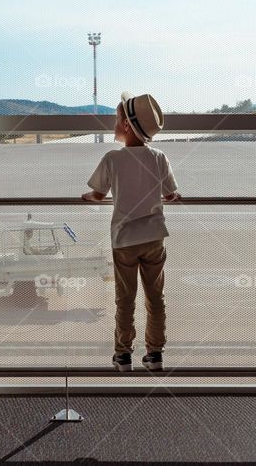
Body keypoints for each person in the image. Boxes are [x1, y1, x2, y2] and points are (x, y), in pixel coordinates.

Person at [82, 92, 180, 371]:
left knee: (125, 298)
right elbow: (171, 193)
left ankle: (123, 354)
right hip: (153, 237)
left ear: (126, 126)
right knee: (155, 297)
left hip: (124, 239)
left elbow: (98, 195)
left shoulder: (113, 158)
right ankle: (155, 354)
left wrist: (88, 197)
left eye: (117, 119)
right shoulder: (159, 157)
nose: (114, 123)